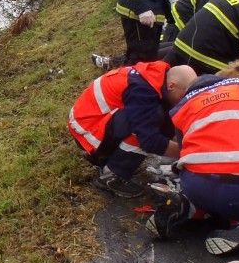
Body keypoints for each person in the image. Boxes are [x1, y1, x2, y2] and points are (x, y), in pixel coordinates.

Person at [146, 72, 239, 255]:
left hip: (197, 185)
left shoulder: (182, 106)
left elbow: (184, 149)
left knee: (203, 191)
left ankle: (186, 208)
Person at [68, 62, 198, 196]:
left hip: (93, 120)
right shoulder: (142, 91)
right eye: (184, 96)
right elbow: (149, 141)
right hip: (86, 127)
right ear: (172, 86)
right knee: (144, 130)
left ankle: (105, 157)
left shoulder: (157, 76)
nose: (185, 102)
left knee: (155, 118)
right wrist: (187, 153)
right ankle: (112, 174)